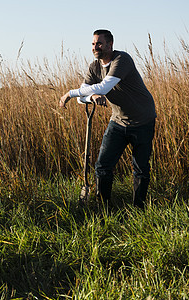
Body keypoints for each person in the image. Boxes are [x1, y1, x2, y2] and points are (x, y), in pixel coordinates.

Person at [59, 29, 156, 209]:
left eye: (100, 43)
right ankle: (104, 208)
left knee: (140, 168)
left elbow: (103, 87)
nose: (96, 47)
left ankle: (139, 209)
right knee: (102, 166)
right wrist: (91, 97)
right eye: (94, 44)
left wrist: (70, 93)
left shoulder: (122, 60)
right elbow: (84, 95)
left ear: (110, 45)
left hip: (142, 120)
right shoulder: (94, 67)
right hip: (118, 121)